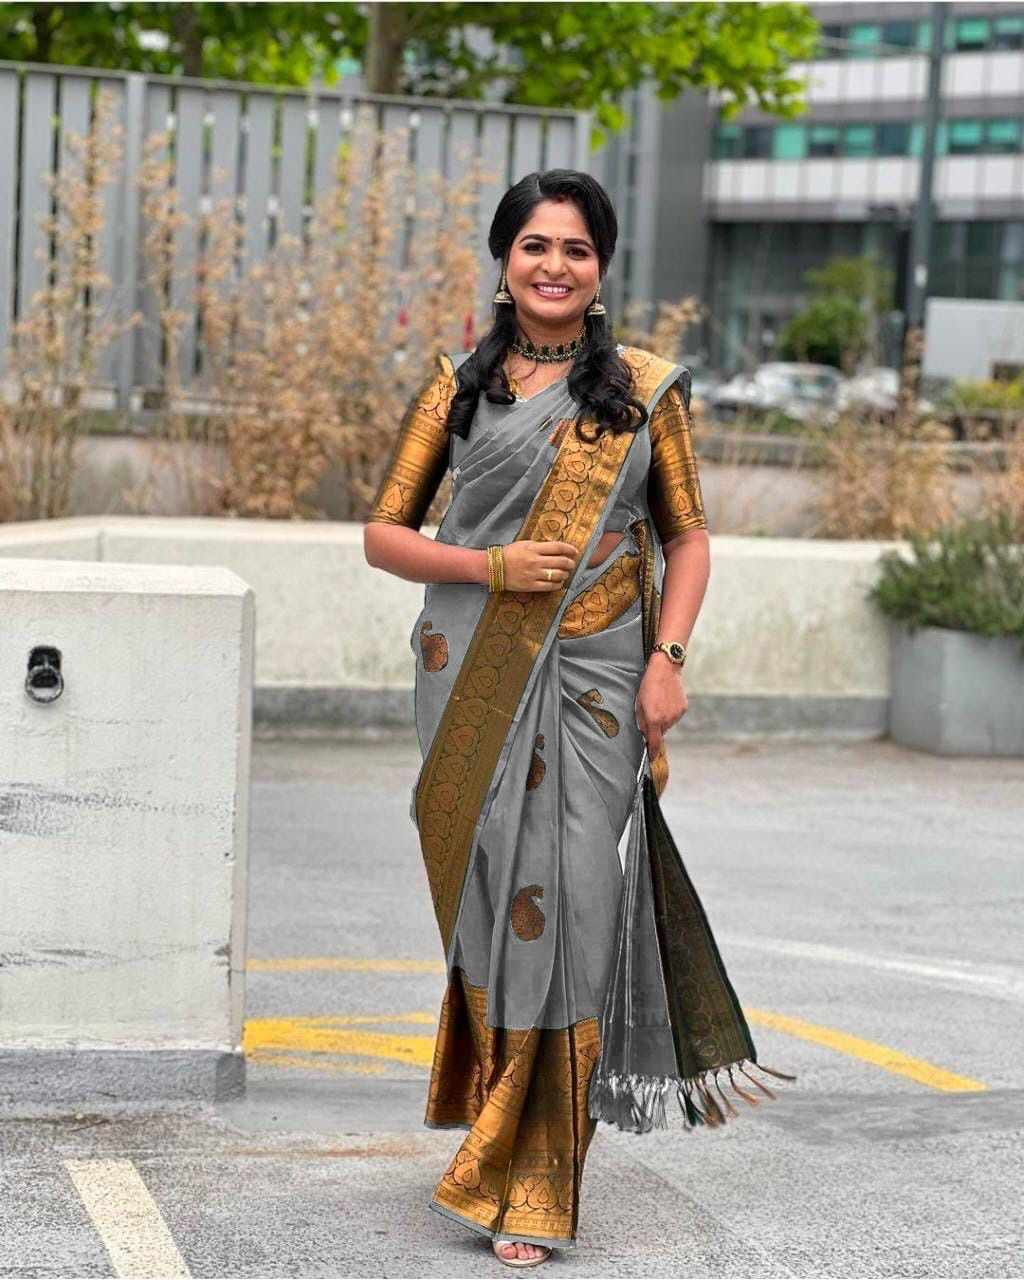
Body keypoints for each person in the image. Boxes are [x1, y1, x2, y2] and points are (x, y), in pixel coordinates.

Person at [363, 169, 791, 1268]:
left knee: (575, 907)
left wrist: (668, 659)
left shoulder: (643, 392)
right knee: (489, 903)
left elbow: (688, 538)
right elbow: (383, 535)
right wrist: (491, 565)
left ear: (601, 269)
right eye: (535, 245)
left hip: (600, 678)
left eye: (577, 249)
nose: (554, 265)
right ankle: (496, 1132)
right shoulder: (453, 390)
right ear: (504, 260)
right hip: (471, 670)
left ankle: (542, 1174)